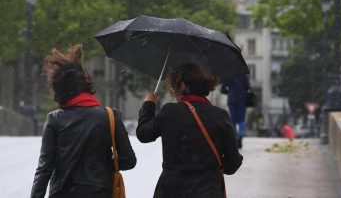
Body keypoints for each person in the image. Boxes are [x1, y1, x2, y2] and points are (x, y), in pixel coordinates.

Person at [30, 44, 136, 198]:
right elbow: (129, 160)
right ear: (86, 85)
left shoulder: (54, 120)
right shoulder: (110, 116)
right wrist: (103, 165)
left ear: (60, 90)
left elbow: (44, 168)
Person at [137, 63, 243, 198]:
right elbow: (232, 164)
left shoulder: (170, 112)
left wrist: (149, 104)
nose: (173, 91)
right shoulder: (220, 116)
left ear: (182, 86)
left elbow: (143, 134)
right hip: (208, 191)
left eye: (173, 87)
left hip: (172, 191)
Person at [221, 74, 250, 148]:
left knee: (233, 120)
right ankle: (240, 137)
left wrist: (230, 91)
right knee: (241, 119)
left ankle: (234, 137)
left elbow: (223, 90)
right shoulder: (243, 75)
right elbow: (247, 87)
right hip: (242, 99)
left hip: (232, 99)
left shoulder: (228, 75)